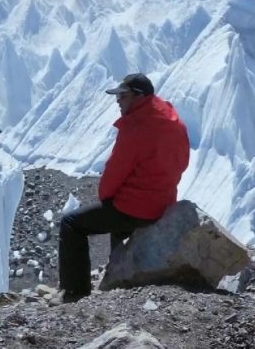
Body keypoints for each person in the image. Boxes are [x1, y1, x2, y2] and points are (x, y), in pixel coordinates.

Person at [57, 73, 190, 302]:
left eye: (122, 96)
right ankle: (121, 280)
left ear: (138, 97)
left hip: (136, 209)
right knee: (119, 223)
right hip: (164, 202)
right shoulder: (173, 119)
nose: (118, 101)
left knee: (72, 224)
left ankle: (75, 292)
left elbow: (113, 174)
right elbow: (184, 161)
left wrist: (108, 199)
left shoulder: (136, 127)